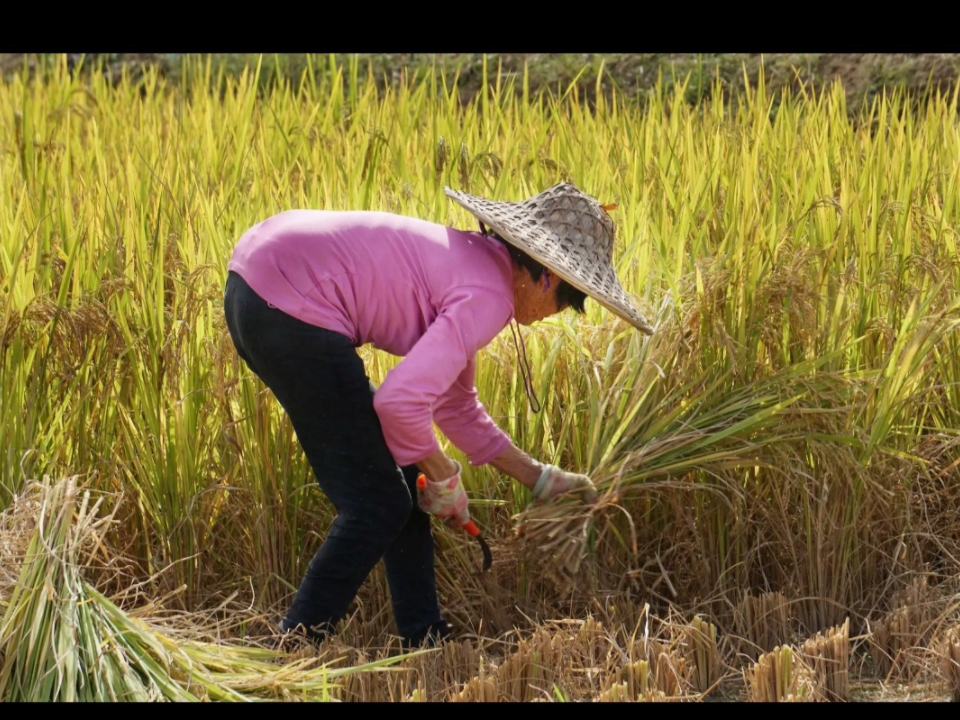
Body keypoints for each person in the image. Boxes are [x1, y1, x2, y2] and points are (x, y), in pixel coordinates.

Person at [222, 182, 655, 649]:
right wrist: (445, 472)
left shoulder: (476, 264)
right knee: (378, 502)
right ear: (547, 275)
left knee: (398, 480)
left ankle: (424, 639)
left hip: (253, 285)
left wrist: (542, 479)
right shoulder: (490, 296)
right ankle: (294, 645)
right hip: (289, 306)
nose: (557, 314)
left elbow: (455, 404)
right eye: (569, 300)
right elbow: (398, 403)